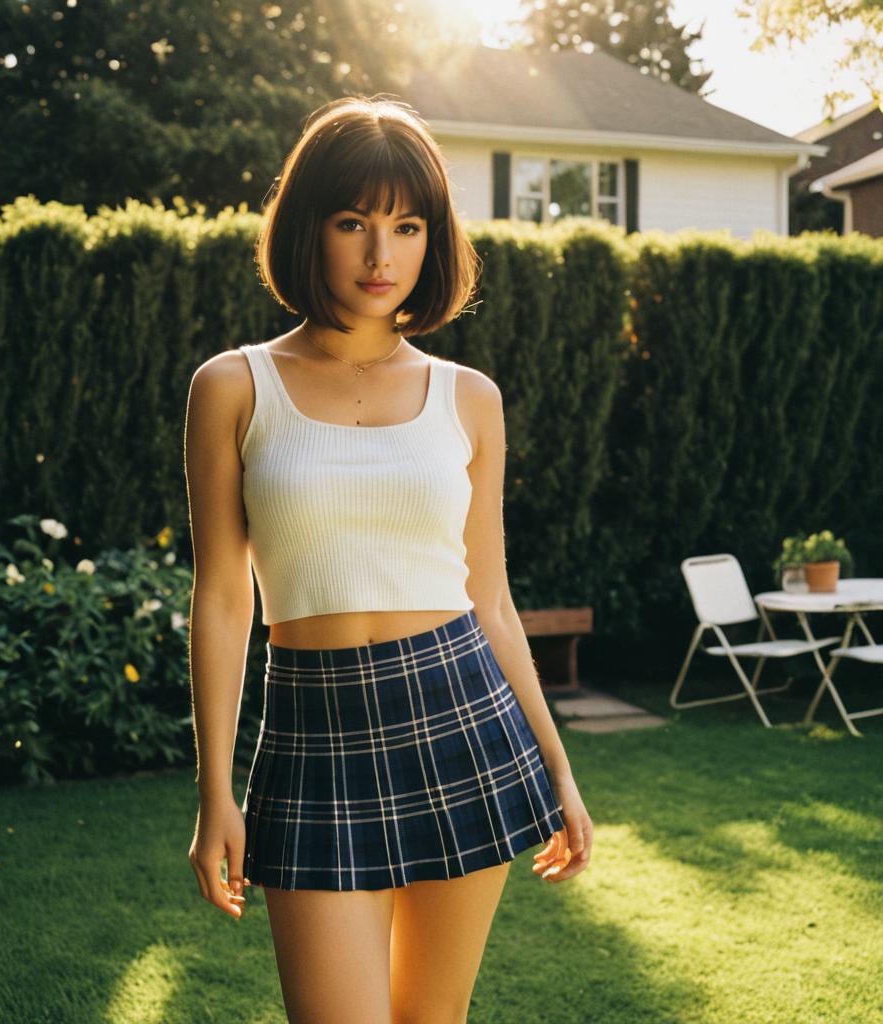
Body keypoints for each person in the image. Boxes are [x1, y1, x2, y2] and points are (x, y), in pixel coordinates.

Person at [185, 93, 593, 1024]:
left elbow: (491, 599)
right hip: (312, 734)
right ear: (307, 227)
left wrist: (560, 769)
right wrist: (215, 792)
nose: (381, 255)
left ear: (432, 240)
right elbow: (222, 599)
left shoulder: (470, 397)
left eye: (407, 226)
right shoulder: (233, 386)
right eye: (352, 222)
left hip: (463, 720)